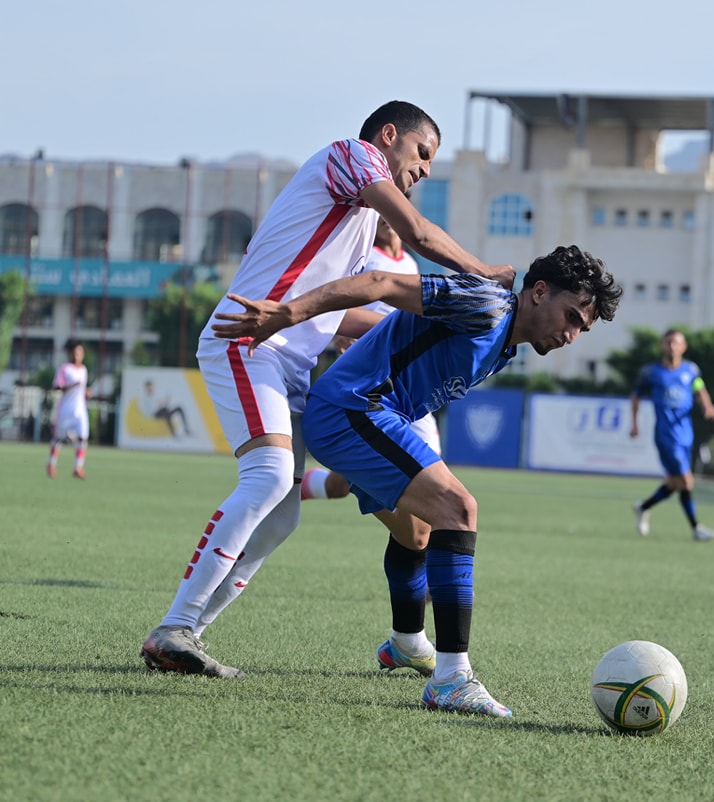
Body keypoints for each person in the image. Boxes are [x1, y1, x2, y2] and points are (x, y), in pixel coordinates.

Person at [139, 100, 513, 679]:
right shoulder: (352, 156)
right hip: (249, 338)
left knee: (284, 516)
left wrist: (433, 328)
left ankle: (182, 633)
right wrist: (484, 276)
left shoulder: (358, 222)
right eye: (421, 154)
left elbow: (347, 311)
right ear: (388, 137)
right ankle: (173, 630)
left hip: (285, 357)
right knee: (266, 479)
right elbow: (416, 233)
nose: (425, 170)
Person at [212, 244, 622, 716]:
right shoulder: (486, 304)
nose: (571, 334)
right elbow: (381, 285)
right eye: (571, 316)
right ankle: (451, 680)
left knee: (420, 529)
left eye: (581, 329)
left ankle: (406, 641)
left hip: (372, 414)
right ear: (539, 291)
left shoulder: (507, 342)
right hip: (353, 408)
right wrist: (288, 314)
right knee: (459, 508)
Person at [300, 216, 442, 501]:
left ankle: (300, 487)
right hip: (367, 373)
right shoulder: (364, 257)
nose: (388, 219)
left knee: (342, 485)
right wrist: (341, 334)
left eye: (396, 210)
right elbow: (333, 305)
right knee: (428, 482)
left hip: (407, 374)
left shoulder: (410, 264)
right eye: (382, 211)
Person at [628, 329, 714, 541]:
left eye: (676, 343)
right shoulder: (651, 373)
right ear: (662, 345)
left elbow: (699, 388)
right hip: (665, 435)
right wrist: (634, 424)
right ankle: (696, 528)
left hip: (686, 434)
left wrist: (707, 405)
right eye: (668, 342)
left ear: (683, 347)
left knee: (675, 484)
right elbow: (635, 396)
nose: (672, 347)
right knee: (686, 482)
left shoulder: (690, 370)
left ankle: (643, 507)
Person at [47, 338, 91, 479]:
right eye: (75, 352)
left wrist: (86, 393)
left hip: (80, 410)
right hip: (66, 409)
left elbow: (81, 389)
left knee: (82, 438)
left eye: (80, 352)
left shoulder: (84, 370)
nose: (77, 354)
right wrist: (71, 386)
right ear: (71, 353)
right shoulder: (65, 369)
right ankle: (51, 464)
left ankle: (78, 467)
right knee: (58, 439)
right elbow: (57, 386)